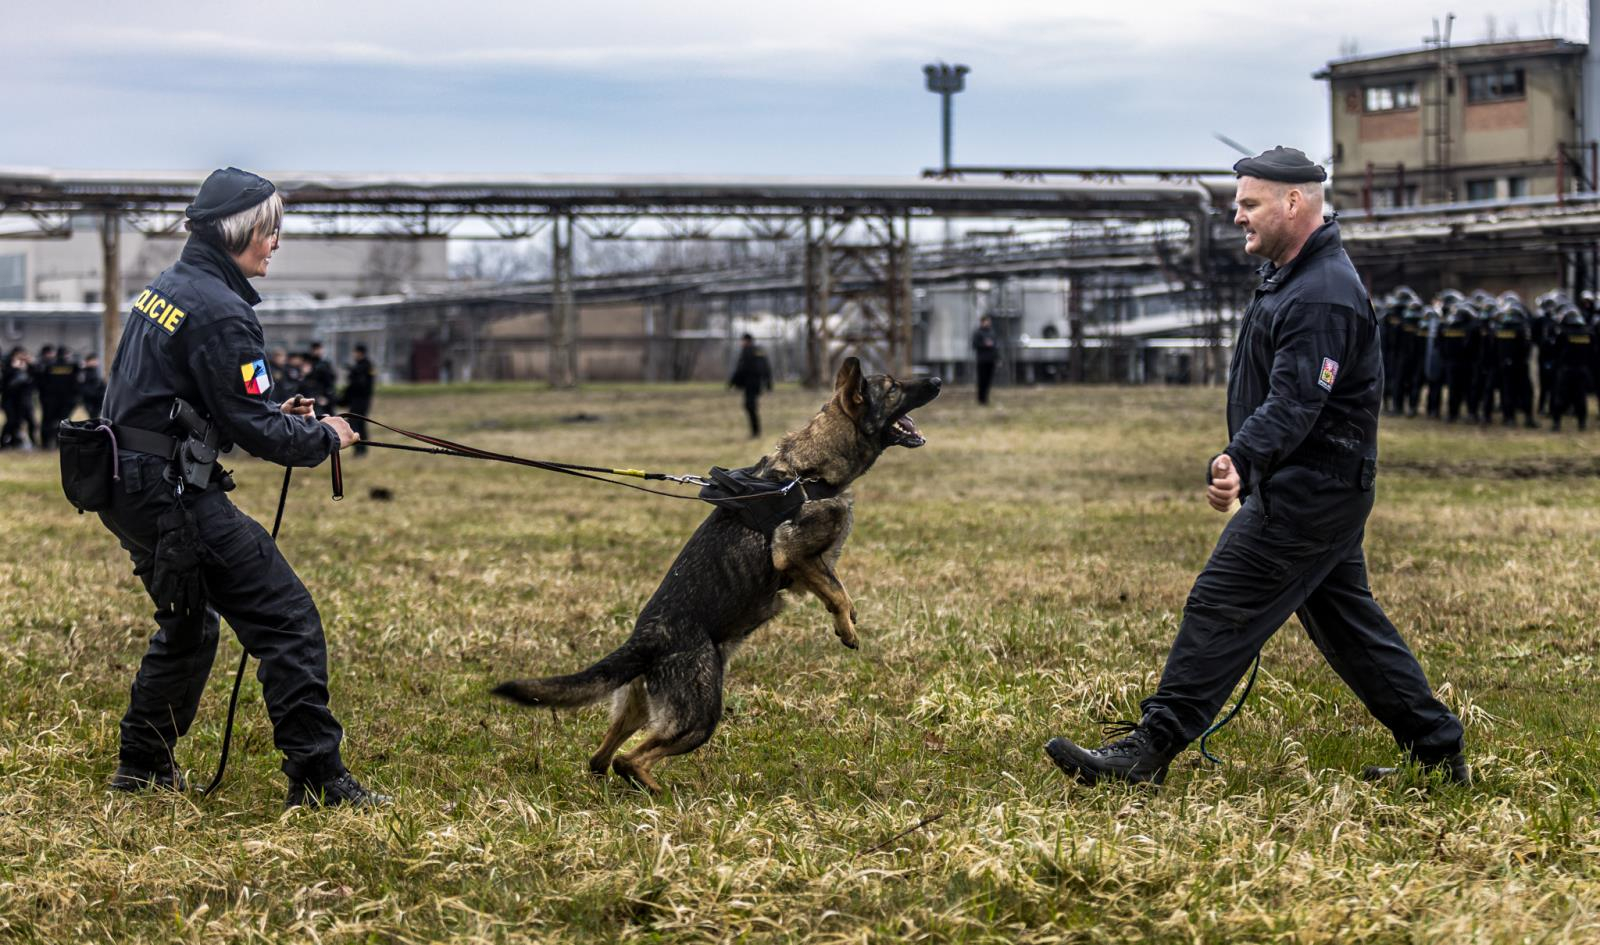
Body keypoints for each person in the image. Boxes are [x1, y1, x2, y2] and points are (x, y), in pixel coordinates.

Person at [1044, 147, 1467, 787]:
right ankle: (1438, 753)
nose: (1237, 217)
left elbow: (1296, 402)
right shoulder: (1293, 278)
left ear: (1293, 203)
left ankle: (1149, 750)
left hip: (1312, 490)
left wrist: (1241, 456)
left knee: (1221, 603)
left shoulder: (1322, 295)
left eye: (1248, 204)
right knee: (1350, 628)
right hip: (1314, 485)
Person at [96, 167, 387, 809]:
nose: (276, 242)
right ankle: (319, 780)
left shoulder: (172, 287)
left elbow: (212, 402)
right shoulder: (222, 311)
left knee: (189, 626)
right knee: (288, 620)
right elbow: (258, 434)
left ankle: (141, 769)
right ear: (239, 230)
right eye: (270, 229)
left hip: (127, 484)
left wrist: (277, 410)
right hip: (170, 493)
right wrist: (327, 436)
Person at [727, 333, 773, 438]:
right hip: (757, 383)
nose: (741, 343)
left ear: (746, 341)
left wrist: (732, 383)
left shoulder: (746, 351)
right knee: (751, 406)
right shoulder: (759, 351)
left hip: (749, 383)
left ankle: (755, 432)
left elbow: (741, 368)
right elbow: (766, 367)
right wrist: (768, 384)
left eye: (742, 341)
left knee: (750, 406)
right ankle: (756, 431)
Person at [339, 343, 375, 456]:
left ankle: (360, 449)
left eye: (355, 352)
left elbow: (362, 384)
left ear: (360, 353)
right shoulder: (360, 366)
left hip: (361, 400)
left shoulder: (366, 366)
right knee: (357, 423)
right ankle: (360, 450)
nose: (353, 354)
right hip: (357, 400)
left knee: (357, 424)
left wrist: (353, 372)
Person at [2, 346, 37, 449]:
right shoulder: (8, 366)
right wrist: (14, 368)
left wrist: (31, 364)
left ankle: (32, 442)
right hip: (10, 400)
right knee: (12, 421)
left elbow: (36, 376)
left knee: (30, 421)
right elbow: (5, 383)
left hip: (25, 399)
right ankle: (5, 442)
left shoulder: (28, 367)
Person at [971, 315, 1000, 405]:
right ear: (982, 322)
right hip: (982, 360)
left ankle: (986, 398)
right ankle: (981, 399)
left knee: (988, 380)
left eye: (989, 321)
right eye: (986, 321)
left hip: (991, 360)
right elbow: (974, 345)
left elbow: (995, 347)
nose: (988, 323)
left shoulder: (992, 333)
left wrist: (998, 358)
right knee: (982, 380)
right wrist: (985, 344)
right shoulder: (978, 333)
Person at [79, 352, 107, 418]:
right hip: (90, 399)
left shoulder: (95, 371)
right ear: (89, 361)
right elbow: (84, 387)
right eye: (94, 360)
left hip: (98, 398)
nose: (96, 362)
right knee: (93, 416)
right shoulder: (84, 372)